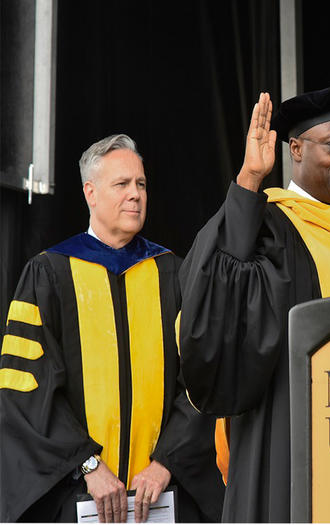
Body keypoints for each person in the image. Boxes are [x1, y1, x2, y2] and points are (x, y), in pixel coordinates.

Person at [178, 85, 330, 522]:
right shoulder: (271, 225)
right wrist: (250, 181)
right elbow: (216, 289)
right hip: (288, 437)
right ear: (295, 148)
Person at [0, 134, 224, 522]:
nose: (135, 194)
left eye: (140, 184)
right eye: (121, 184)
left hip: (163, 494)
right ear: (91, 192)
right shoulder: (49, 275)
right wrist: (88, 465)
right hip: (77, 494)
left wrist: (166, 461)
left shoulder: (172, 273)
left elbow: (202, 377)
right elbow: (26, 389)